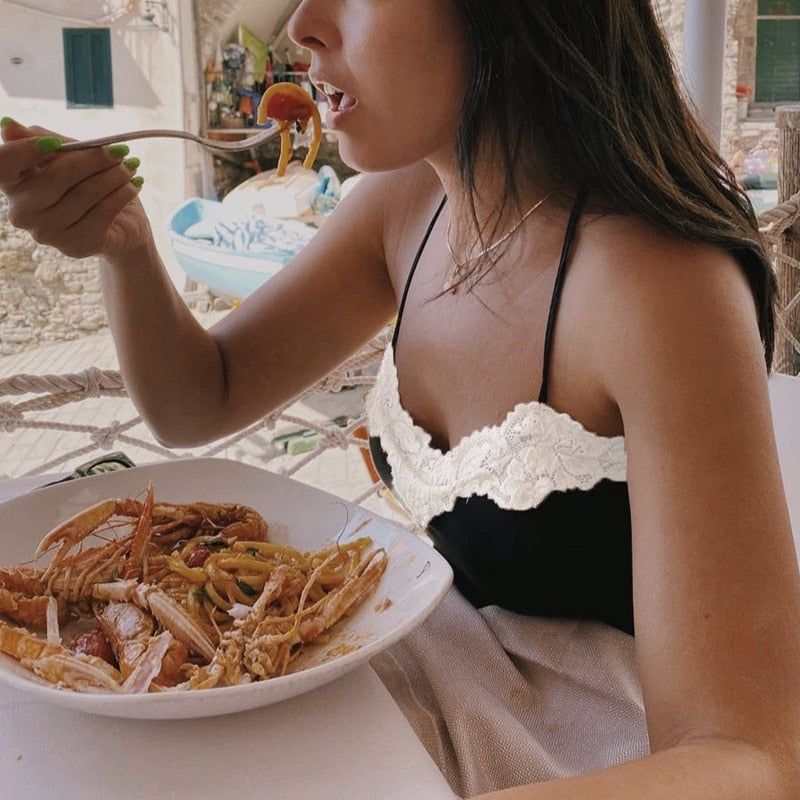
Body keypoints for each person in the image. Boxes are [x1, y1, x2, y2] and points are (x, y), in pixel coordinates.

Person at [1, 1, 798, 798]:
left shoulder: (660, 284)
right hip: (436, 669)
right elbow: (200, 399)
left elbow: (752, 757)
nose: (301, 27)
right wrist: (129, 244)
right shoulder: (407, 205)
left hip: (598, 750)